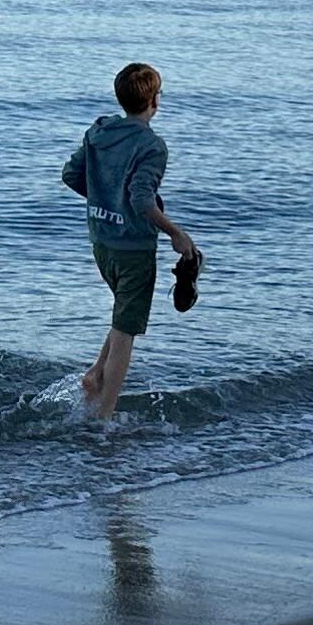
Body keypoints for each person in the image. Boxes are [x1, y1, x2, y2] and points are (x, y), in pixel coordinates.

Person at [64, 60, 204, 425]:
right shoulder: (152, 146)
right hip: (133, 248)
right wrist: (176, 233)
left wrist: (104, 199)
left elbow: (71, 174)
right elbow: (142, 200)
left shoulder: (99, 131)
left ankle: (95, 373)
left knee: (124, 311)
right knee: (127, 330)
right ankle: (104, 417)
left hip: (101, 242)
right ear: (155, 101)